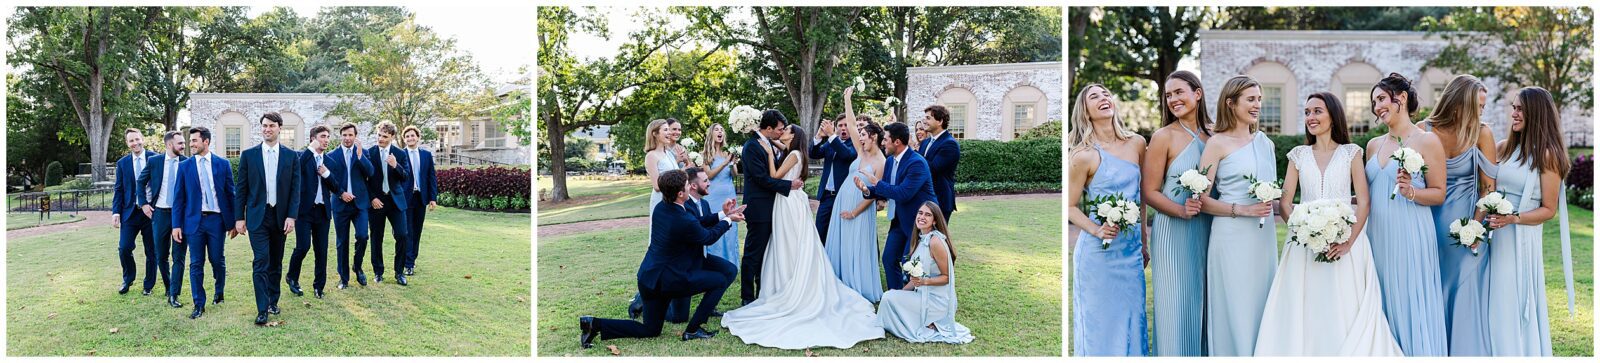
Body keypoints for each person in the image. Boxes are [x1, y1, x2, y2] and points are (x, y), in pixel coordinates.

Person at [1254, 92, 1402, 356]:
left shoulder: (1351, 153)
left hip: (1346, 243)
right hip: (1303, 246)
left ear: (1333, 116)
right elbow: (1286, 204)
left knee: (1343, 303)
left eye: (1317, 111)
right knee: (1306, 305)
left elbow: (1364, 202)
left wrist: (1347, 243)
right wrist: (1305, 232)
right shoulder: (1298, 155)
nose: (1311, 117)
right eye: (1307, 112)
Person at [721, 124, 884, 349]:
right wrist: (769, 142)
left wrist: (769, 153)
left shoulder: (794, 155)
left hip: (788, 202)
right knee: (792, 243)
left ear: (793, 136)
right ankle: (786, 279)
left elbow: (774, 175)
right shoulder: (794, 152)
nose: (782, 133)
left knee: (789, 243)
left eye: (786, 130)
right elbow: (783, 148)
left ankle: (790, 282)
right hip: (791, 200)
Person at [578, 170, 743, 347]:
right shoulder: (683, 218)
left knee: (651, 330)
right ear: (680, 193)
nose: (690, 186)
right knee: (719, 280)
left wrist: (723, 215)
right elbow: (707, 237)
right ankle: (693, 330)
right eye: (687, 185)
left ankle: (593, 324)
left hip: (648, 278)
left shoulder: (662, 208)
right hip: (669, 279)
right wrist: (728, 221)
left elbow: (695, 225)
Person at [1363, 73, 1449, 356]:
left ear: (1401, 98)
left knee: (1410, 296)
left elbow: (1439, 193)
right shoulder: (1373, 145)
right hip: (1378, 235)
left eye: (1381, 99)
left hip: (1411, 233)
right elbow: (1367, 195)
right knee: (1381, 297)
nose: (1377, 107)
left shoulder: (1427, 141)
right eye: (1374, 102)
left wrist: (1411, 191)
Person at [1485, 86, 1572, 356]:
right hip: (1493, 235)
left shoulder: (1547, 155)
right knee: (1491, 296)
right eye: (1513, 107)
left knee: (1510, 296)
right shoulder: (1504, 147)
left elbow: (1548, 209)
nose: (1514, 113)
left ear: (1536, 113)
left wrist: (1513, 218)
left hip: (1520, 237)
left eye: (1520, 109)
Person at [1196, 76, 1278, 356]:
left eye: (1259, 99)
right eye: (1250, 99)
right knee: (1234, 301)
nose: (1257, 105)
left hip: (1262, 237)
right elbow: (1201, 199)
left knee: (1262, 299)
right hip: (1230, 236)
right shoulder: (1217, 143)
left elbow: (1274, 194)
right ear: (1231, 103)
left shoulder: (1266, 143)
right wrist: (1242, 210)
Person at [1417, 75, 1499, 356]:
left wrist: (1475, 228)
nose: (1481, 112)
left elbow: (1488, 188)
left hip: (1467, 226)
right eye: (1478, 106)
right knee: (1432, 286)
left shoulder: (1482, 133)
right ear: (1457, 103)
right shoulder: (1424, 130)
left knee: (1464, 288)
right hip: (1428, 222)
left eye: (1483, 107)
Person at [1067, 84, 1148, 356]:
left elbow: (1142, 198)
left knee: (1132, 319)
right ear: (1086, 111)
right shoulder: (1083, 155)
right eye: (1094, 96)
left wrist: (1144, 243)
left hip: (1131, 251)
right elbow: (1069, 206)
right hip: (1098, 255)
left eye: (1106, 94)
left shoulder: (1137, 143)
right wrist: (1097, 230)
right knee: (1100, 325)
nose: (1103, 98)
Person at [1140, 70, 1210, 356]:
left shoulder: (1216, 134)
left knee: (1206, 304)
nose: (1173, 99)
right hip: (1172, 232)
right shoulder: (1163, 137)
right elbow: (1149, 191)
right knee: (1174, 305)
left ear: (1197, 93)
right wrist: (1181, 211)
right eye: (1168, 95)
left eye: (1179, 92)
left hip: (1210, 230)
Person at [235, 112, 302, 325]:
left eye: (271, 126)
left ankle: (273, 301)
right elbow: (241, 189)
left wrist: (291, 216)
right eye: (264, 126)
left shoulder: (291, 156)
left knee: (275, 262)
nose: (267, 129)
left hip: (281, 217)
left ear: (279, 128)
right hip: (257, 217)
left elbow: (295, 190)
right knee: (261, 261)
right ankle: (262, 309)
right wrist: (239, 217)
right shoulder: (249, 155)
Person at [856, 120, 938, 291]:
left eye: (886, 139)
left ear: (897, 142)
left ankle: (914, 298)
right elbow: (886, 190)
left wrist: (876, 182)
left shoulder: (916, 163)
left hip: (918, 222)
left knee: (911, 264)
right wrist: (866, 190)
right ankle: (896, 296)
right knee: (889, 258)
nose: (883, 143)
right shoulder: (890, 161)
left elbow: (903, 193)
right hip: (900, 220)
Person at [879, 201, 974, 344]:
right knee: (890, 296)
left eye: (928, 215)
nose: (922, 217)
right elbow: (915, 280)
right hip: (922, 295)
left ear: (935, 220)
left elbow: (947, 277)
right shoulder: (920, 239)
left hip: (937, 301)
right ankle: (920, 320)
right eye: (920, 213)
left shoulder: (935, 241)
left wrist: (924, 282)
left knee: (888, 297)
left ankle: (932, 320)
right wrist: (900, 294)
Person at [738, 110, 805, 304]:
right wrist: (788, 185)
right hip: (759, 208)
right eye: (780, 129)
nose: (781, 132)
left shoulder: (767, 143)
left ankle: (763, 292)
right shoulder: (752, 146)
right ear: (769, 128)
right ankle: (747, 297)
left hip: (772, 207)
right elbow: (761, 178)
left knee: (766, 253)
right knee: (753, 253)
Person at [827, 86, 886, 303]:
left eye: (863, 136)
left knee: (857, 247)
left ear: (874, 137)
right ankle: (839, 282)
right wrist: (847, 99)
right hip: (843, 200)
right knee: (842, 243)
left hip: (860, 210)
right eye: (859, 136)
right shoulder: (861, 151)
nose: (859, 138)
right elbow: (851, 124)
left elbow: (874, 194)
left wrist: (854, 212)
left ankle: (858, 286)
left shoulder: (881, 162)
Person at [171, 127, 236, 319]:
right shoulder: (185, 166)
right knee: (196, 263)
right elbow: (178, 198)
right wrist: (176, 225)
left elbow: (231, 194)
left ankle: (219, 291)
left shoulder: (223, 164)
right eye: (190, 141)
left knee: (217, 260)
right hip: (194, 222)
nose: (190, 144)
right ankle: (198, 304)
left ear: (205, 141)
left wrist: (234, 222)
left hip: (217, 220)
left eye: (194, 140)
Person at [629, 118, 687, 320]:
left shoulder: (669, 154)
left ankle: (665, 295)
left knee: (673, 248)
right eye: (665, 130)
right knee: (659, 248)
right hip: (661, 203)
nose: (669, 133)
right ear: (655, 133)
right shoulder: (651, 156)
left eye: (669, 130)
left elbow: (678, 176)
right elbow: (656, 185)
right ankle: (641, 298)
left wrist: (683, 167)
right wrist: (676, 180)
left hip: (675, 202)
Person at [288, 125, 340, 299]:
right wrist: (310, 150)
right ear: (313, 139)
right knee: (303, 247)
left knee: (321, 251)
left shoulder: (330, 162)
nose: (326, 140)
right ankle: (292, 277)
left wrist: (327, 175)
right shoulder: (301, 156)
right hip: (304, 211)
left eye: (328, 137)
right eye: (322, 136)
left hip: (323, 212)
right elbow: (295, 170)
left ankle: (319, 287)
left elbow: (336, 187)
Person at [137, 131, 187, 308]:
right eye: (180, 143)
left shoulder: (187, 162)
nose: (183, 146)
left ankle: (174, 294)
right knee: (161, 255)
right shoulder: (155, 162)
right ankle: (168, 286)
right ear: (169, 145)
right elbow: (140, 182)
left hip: (180, 215)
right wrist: (143, 203)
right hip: (159, 214)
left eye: (184, 143)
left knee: (178, 256)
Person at [326, 123, 374, 289]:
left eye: (350, 135)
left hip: (360, 204)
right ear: (341, 136)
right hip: (340, 205)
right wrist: (341, 193)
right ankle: (343, 278)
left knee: (363, 236)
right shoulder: (332, 155)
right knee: (342, 241)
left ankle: (357, 266)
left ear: (355, 136)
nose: (347, 138)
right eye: (344, 135)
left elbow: (371, 173)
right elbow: (329, 180)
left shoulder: (363, 153)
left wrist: (360, 156)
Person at [365, 121, 412, 286]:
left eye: (385, 136)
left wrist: (395, 165)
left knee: (402, 235)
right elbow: (364, 180)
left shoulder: (400, 154)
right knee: (376, 237)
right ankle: (378, 272)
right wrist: (372, 198)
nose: (381, 139)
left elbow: (406, 177)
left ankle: (399, 272)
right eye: (379, 135)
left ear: (392, 137)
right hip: (376, 202)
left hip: (395, 201)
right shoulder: (369, 153)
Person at [113, 128, 159, 295]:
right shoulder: (122, 163)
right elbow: (119, 189)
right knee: (124, 248)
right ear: (127, 143)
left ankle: (148, 286)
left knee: (151, 251)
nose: (135, 143)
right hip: (130, 213)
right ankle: (128, 278)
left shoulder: (155, 158)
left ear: (143, 139)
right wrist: (116, 212)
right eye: (131, 141)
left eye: (137, 139)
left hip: (151, 212)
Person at [811, 114, 857, 244]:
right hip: (826, 196)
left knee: (840, 234)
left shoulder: (855, 143)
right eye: (840, 125)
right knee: (820, 231)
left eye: (846, 125)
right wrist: (819, 136)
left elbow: (846, 155)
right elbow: (814, 154)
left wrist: (831, 135)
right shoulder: (831, 143)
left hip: (843, 197)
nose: (843, 128)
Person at [701, 124, 741, 265]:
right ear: (711, 134)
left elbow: (734, 174)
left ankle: (731, 261)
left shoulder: (727, 153)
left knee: (730, 225)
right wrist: (725, 163)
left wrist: (732, 163)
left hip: (729, 193)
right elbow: (709, 175)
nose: (720, 132)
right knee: (715, 224)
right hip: (713, 195)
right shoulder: (706, 155)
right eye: (717, 130)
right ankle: (715, 262)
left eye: (722, 130)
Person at [401, 126, 437, 276]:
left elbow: (431, 177)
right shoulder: (400, 154)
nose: (410, 138)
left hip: (421, 198)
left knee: (417, 231)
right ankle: (408, 263)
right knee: (407, 231)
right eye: (407, 136)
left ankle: (412, 259)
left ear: (418, 137)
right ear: (404, 139)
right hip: (405, 198)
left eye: (412, 135)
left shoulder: (426, 155)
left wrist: (433, 198)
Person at [918, 105, 961, 223]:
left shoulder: (950, 144)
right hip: (922, 199)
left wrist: (913, 153)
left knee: (937, 234)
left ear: (940, 121)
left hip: (940, 199)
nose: (924, 121)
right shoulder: (925, 142)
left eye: (928, 118)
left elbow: (933, 168)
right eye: (924, 118)